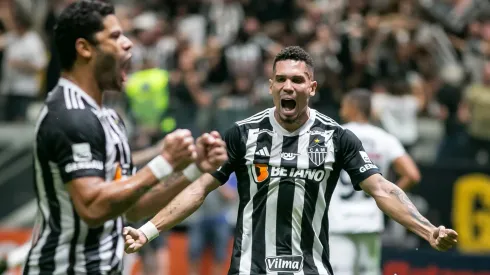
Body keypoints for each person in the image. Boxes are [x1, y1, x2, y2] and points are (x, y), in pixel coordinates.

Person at [123, 46, 458, 275]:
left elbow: (382, 189)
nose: (288, 86)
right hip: (250, 268)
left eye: (297, 80)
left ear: (311, 87)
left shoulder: (337, 137)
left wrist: (428, 231)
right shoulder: (242, 134)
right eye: (280, 79)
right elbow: (198, 189)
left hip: (310, 268)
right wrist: (147, 231)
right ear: (271, 86)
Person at [22, 1, 228, 275]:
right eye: (115, 36)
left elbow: (132, 208)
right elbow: (93, 208)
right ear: (84, 48)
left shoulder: (110, 118)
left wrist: (193, 168)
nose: (128, 44)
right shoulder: (69, 114)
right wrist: (164, 162)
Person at [328, 89, 421, 275]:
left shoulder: (334, 135)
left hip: (338, 222)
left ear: (352, 107)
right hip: (370, 220)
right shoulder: (384, 138)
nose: (340, 109)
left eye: (343, 105)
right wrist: (385, 196)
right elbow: (412, 175)